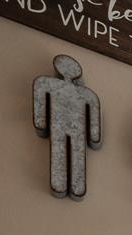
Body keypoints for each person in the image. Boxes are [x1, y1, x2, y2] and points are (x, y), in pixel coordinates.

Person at [32, 55, 101, 200]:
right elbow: (94, 120)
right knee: (64, 152)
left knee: (66, 152)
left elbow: (94, 117)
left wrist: (41, 122)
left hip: (67, 127)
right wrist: (41, 123)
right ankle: (66, 185)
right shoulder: (49, 83)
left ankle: (67, 185)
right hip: (63, 125)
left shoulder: (48, 83)